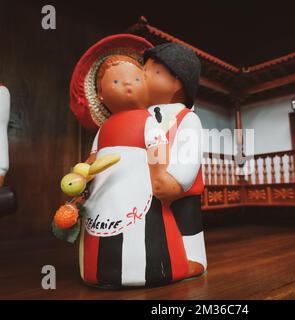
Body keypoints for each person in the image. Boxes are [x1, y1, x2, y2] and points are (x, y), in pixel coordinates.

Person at [69, 34, 171, 287]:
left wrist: (159, 174)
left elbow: (158, 147)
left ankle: (146, 269)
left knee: (141, 229)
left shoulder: (149, 121)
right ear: (101, 94)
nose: (128, 85)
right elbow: (93, 156)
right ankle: (98, 270)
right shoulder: (103, 130)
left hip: (140, 183)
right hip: (104, 187)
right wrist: (83, 175)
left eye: (137, 79)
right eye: (116, 81)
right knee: (99, 224)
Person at [143, 43, 207, 285]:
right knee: (156, 230)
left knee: (186, 226)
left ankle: (194, 258)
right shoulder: (142, 117)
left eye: (154, 72)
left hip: (180, 190)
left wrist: (177, 180)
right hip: (149, 188)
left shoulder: (188, 118)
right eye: (143, 71)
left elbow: (189, 154)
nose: (143, 76)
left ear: (178, 81)